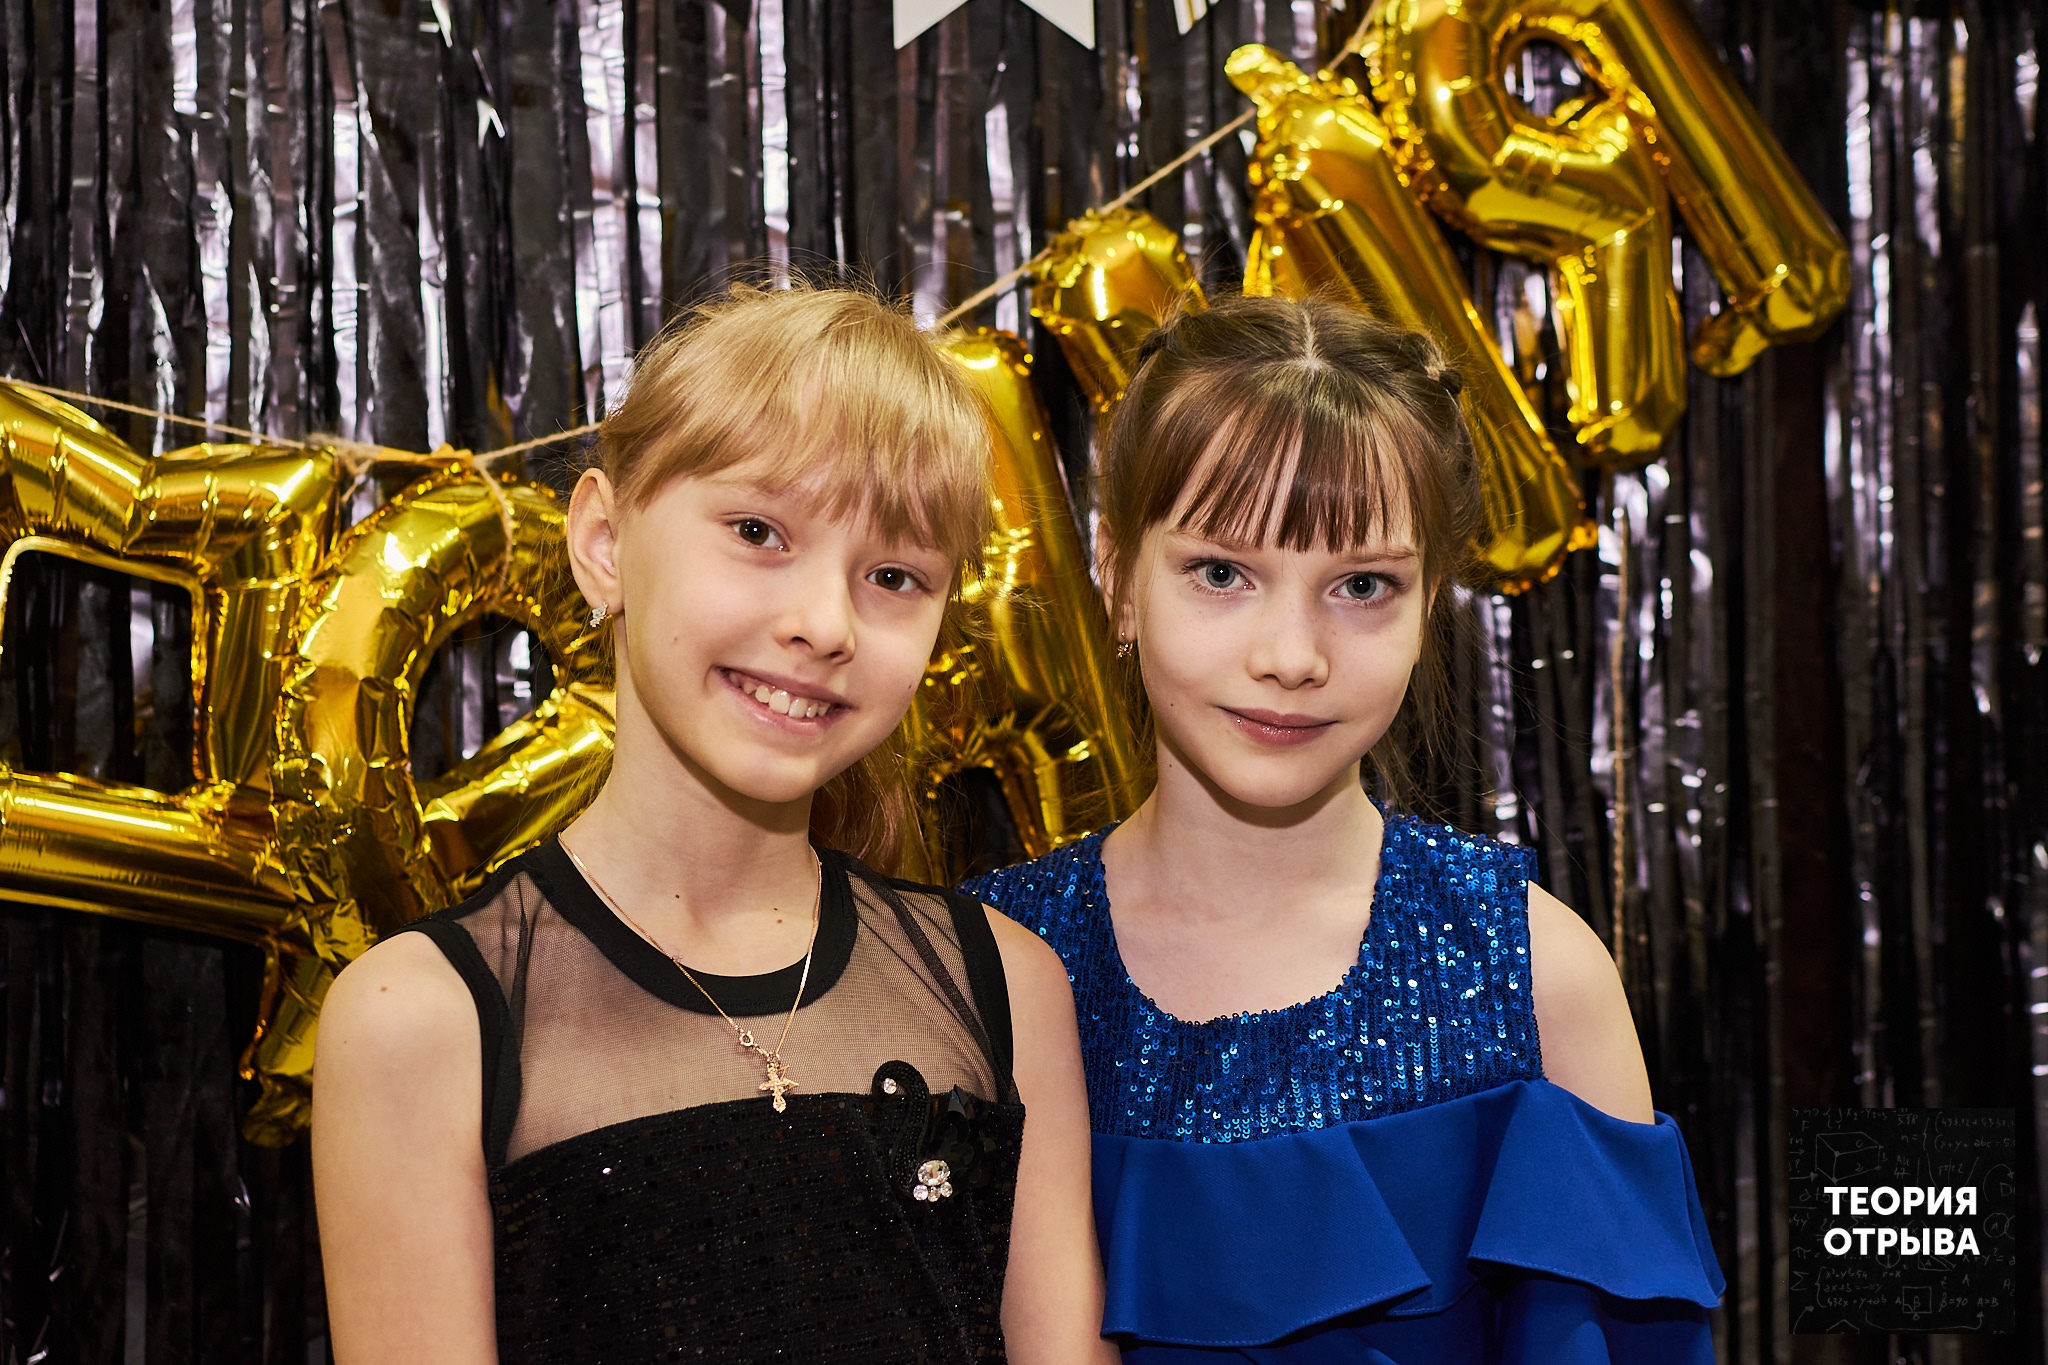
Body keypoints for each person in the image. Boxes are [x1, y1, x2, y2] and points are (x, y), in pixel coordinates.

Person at [313, 284, 1117, 1365]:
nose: (824, 624)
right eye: (757, 532)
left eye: (892, 576)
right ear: (604, 542)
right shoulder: (422, 1020)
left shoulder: (1004, 985)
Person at [965, 294, 1723, 1363]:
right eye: (1221, 573)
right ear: (1116, 573)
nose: (1291, 655)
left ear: (1431, 602)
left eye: (1361, 585)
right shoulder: (980, 969)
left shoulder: (1536, 973)